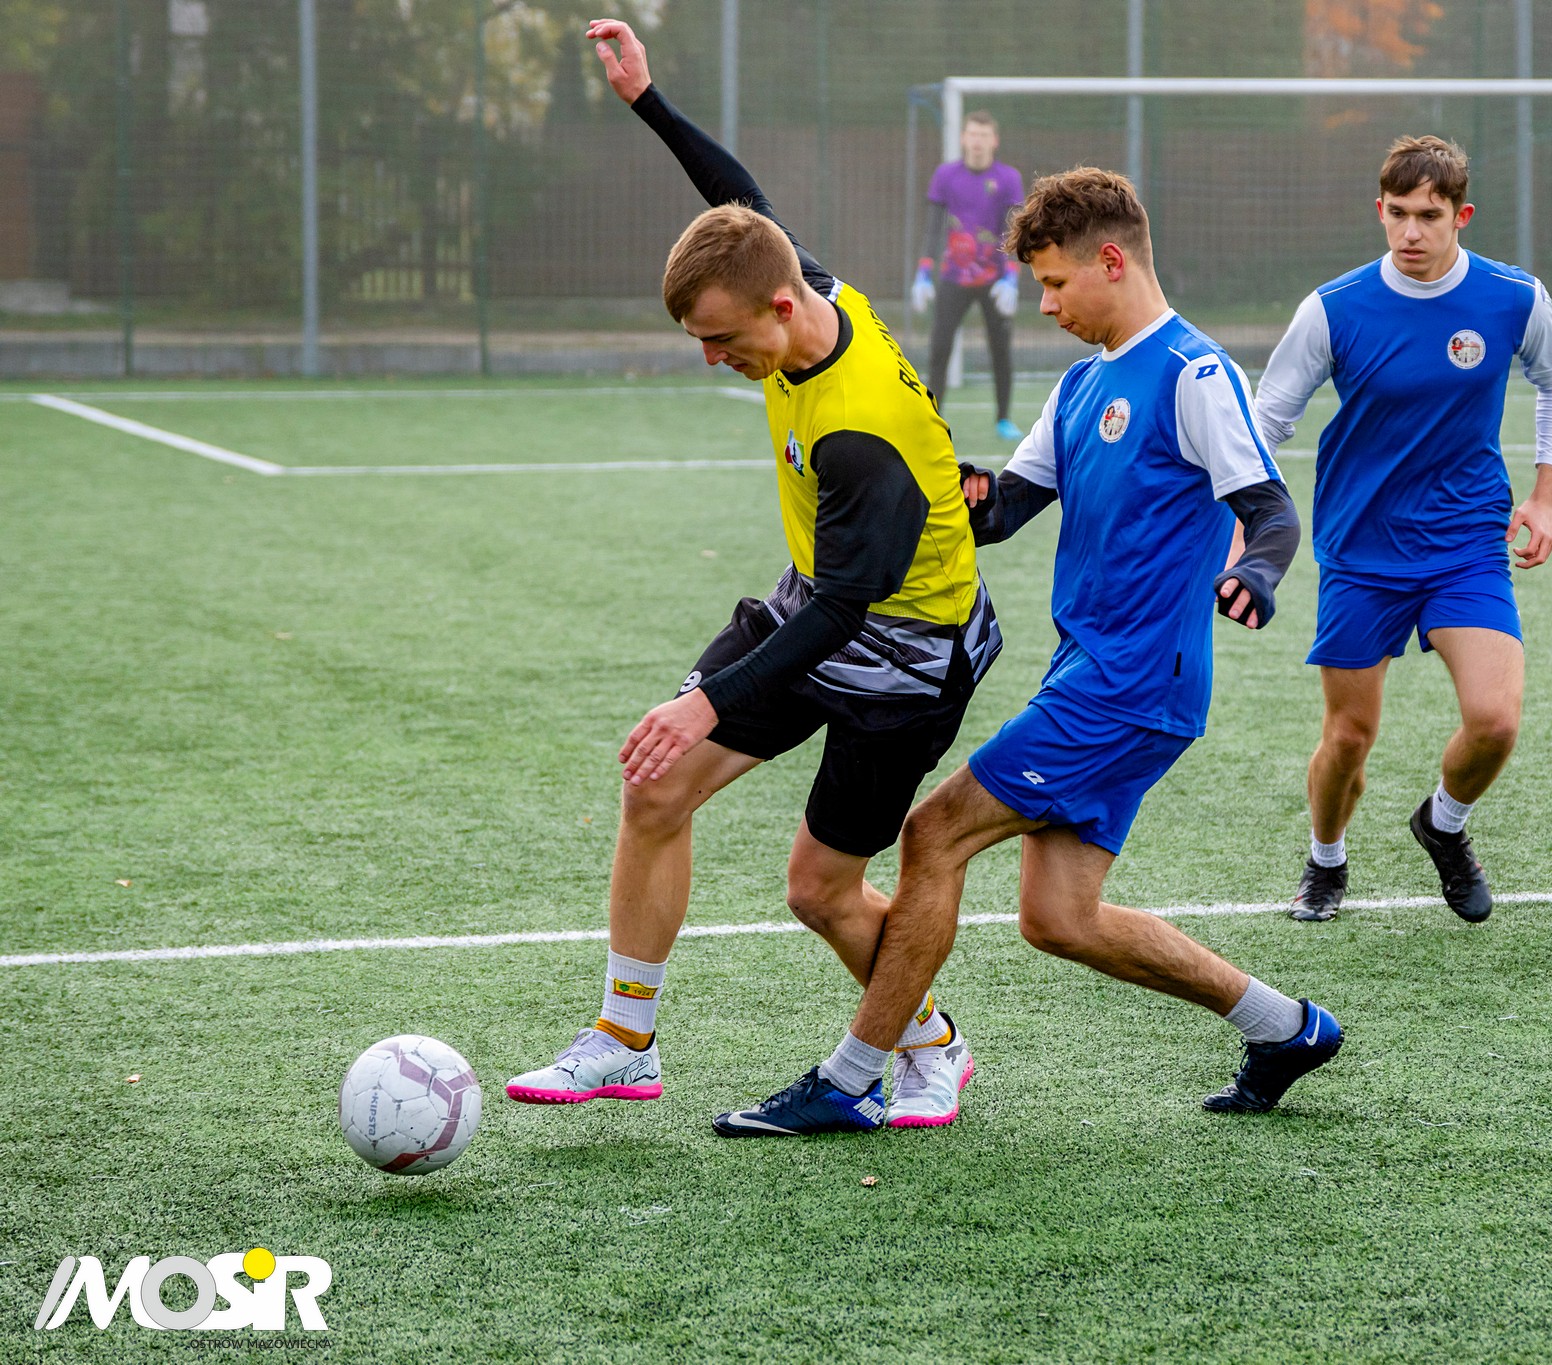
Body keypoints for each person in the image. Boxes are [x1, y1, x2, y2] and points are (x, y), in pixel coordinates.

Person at [712, 167, 1343, 1139]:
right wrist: (943, 484)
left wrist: (1254, 574)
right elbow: (1004, 508)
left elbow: (1268, 509)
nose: (1044, 305)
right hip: (1087, 674)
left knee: (933, 834)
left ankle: (852, 1077)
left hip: (1132, 687)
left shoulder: (1192, 373)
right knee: (1060, 919)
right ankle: (1286, 1028)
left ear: (1109, 260)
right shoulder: (1082, 383)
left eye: (1052, 283)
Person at [503, 18, 995, 1129]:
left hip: (906, 654)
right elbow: (739, 201)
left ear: (780, 310)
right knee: (654, 788)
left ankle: (931, 1044)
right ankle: (625, 1040)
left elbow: (848, 612)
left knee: (818, 890)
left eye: (722, 340)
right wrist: (649, 102)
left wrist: (708, 699)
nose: (713, 359)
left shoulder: (860, 432)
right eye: (699, 341)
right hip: (817, 599)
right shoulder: (799, 287)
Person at [1252, 135, 1552, 925]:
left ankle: (1444, 823)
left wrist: (1544, 496)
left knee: (1495, 720)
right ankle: (1326, 857)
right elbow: (1266, 421)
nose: (1410, 232)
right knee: (1348, 737)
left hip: (1466, 543)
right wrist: (1244, 527)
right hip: (1360, 550)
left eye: (1429, 216)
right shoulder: (1333, 309)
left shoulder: (1511, 297)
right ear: (1379, 210)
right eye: (1397, 213)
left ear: (1462, 215)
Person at [911, 111, 1027, 438]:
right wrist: (923, 273)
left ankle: (1003, 419)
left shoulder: (1009, 178)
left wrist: (1011, 278)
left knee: (1000, 349)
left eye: (984, 135)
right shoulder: (945, 175)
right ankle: (934, 417)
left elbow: (1014, 231)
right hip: (953, 278)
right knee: (939, 347)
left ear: (995, 141)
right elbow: (933, 229)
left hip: (995, 281)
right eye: (972, 135)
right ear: (963, 138)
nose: (977, 142)